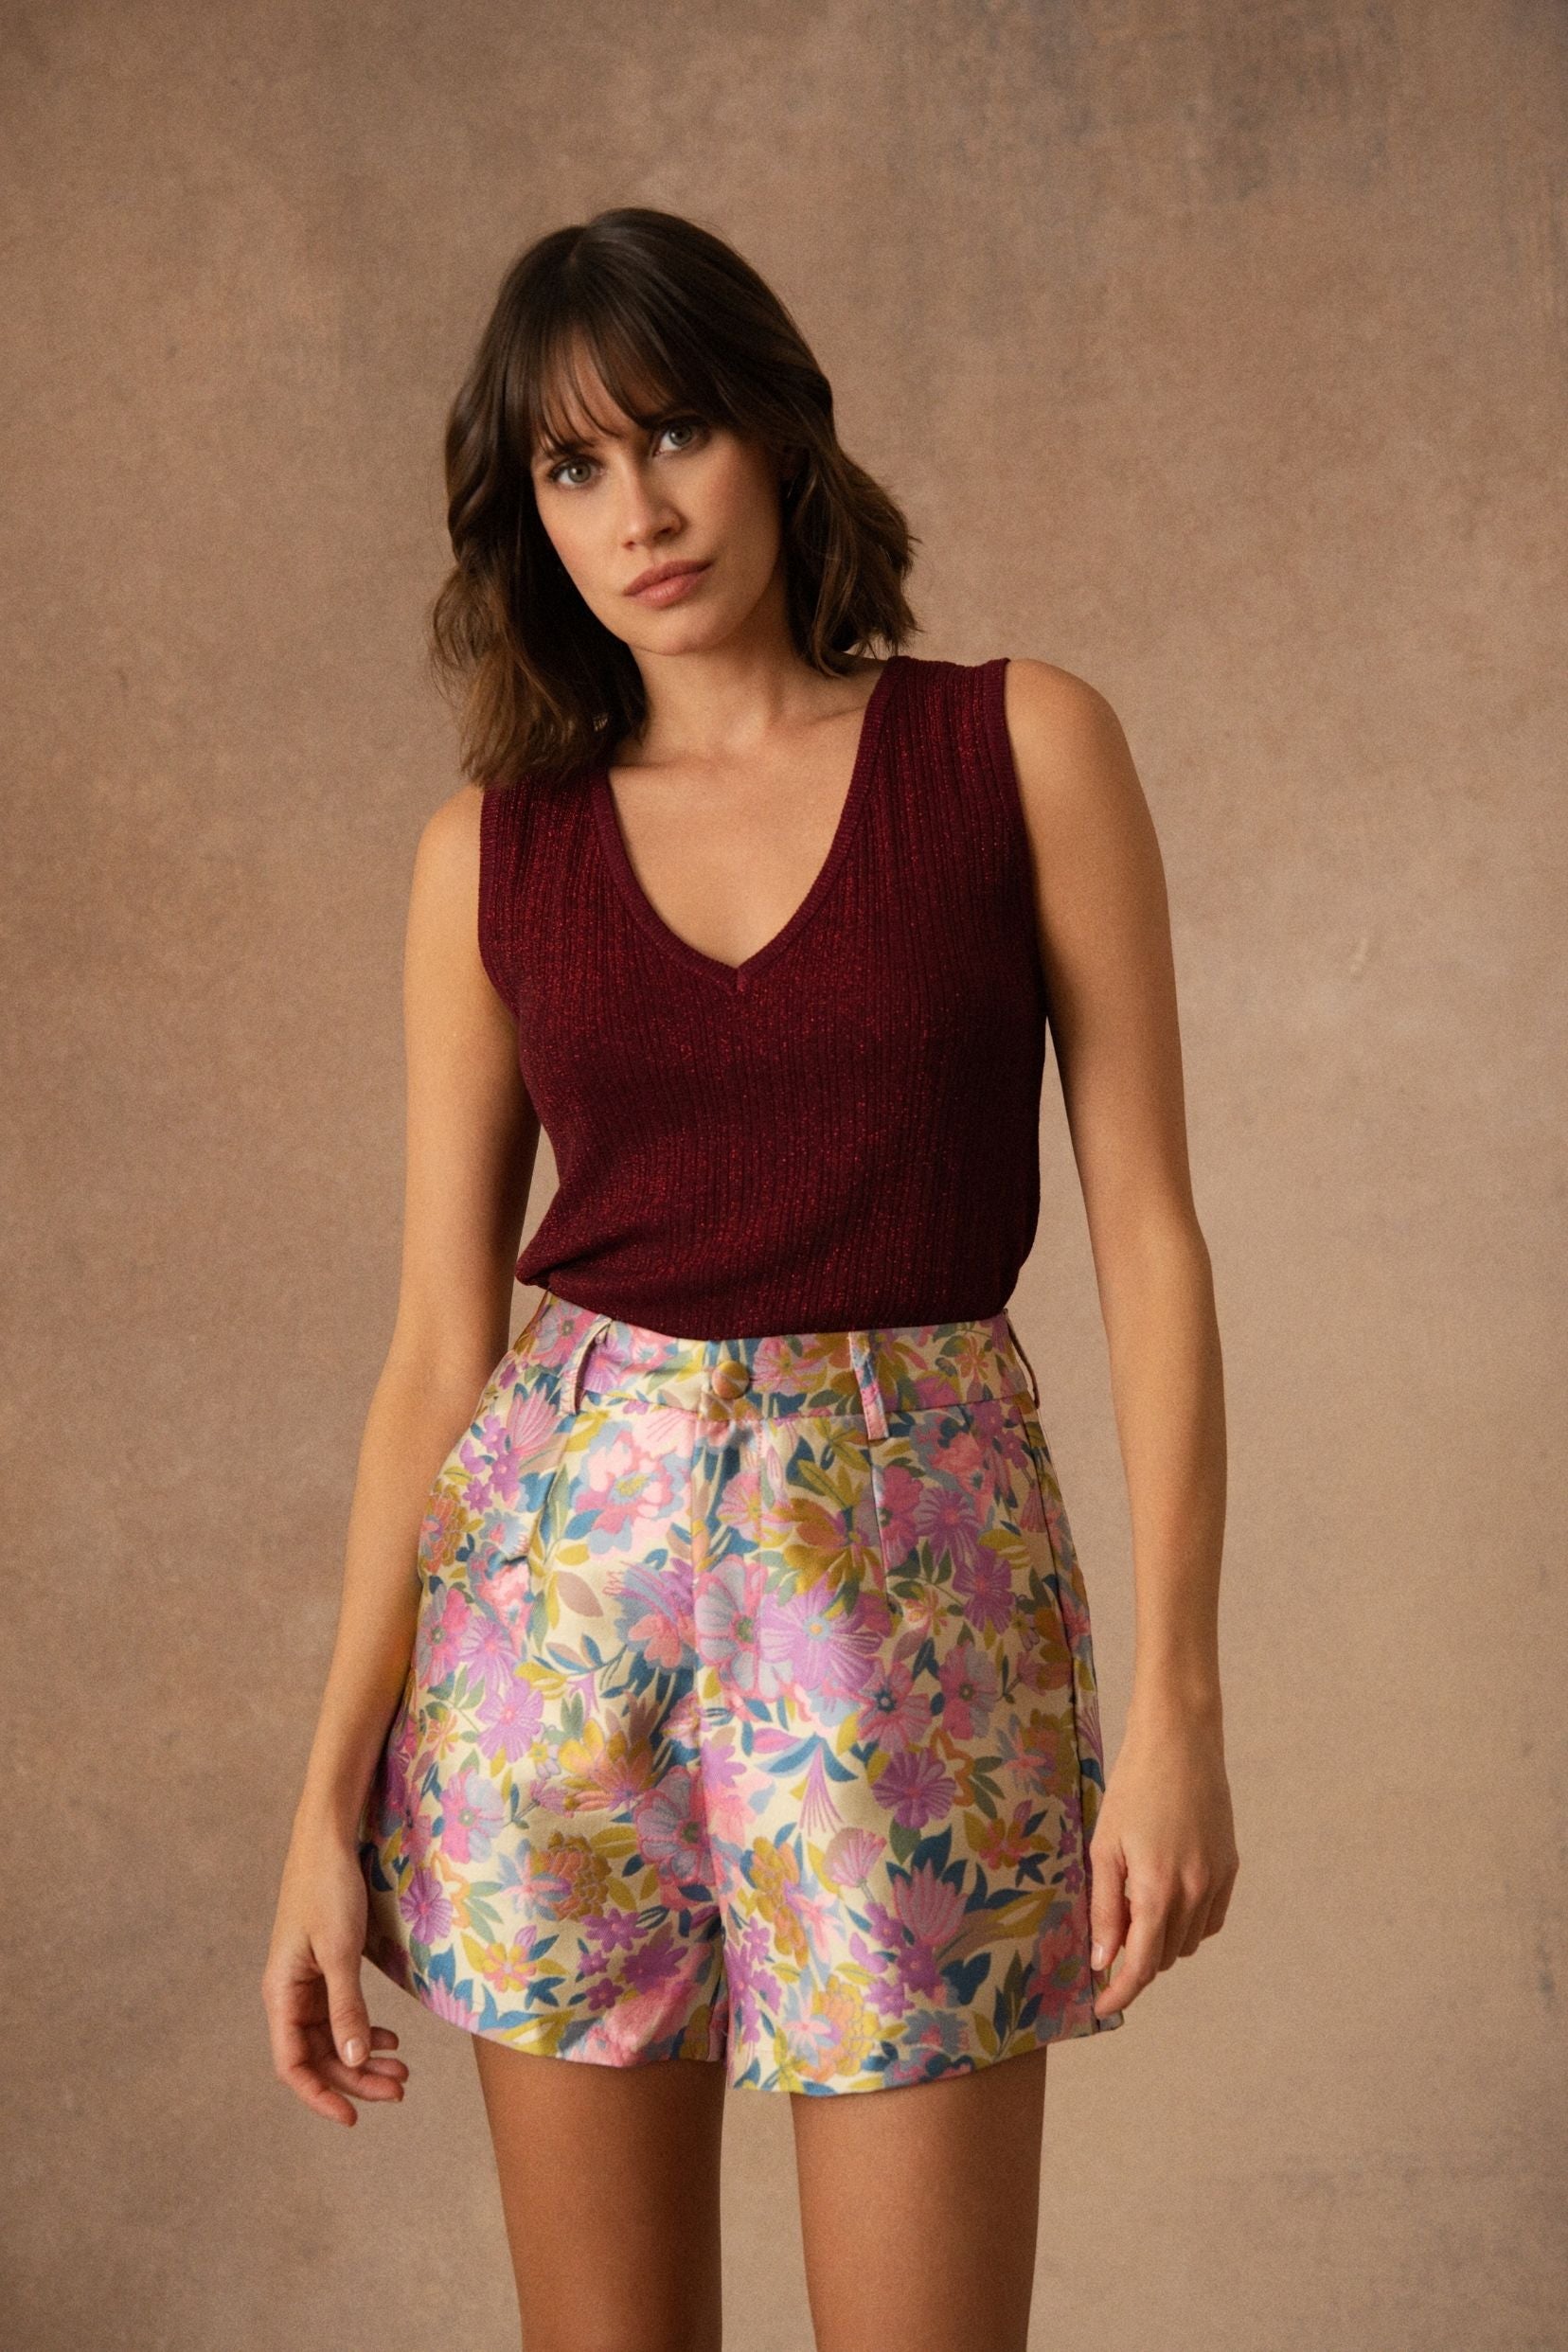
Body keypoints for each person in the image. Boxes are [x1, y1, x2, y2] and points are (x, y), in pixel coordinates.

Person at [262, 205, 1238, 2352]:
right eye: (571, 467)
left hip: (916, 1594)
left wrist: (1178, 1706)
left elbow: (1150, 1239)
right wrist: (324, 1808)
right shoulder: (490, 855)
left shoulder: (1016, 749)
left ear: (784, 430)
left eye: (676, 431)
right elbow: (438, 1347)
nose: (638, 510)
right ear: (525, 517)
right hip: (555, 1622)